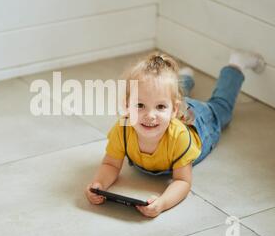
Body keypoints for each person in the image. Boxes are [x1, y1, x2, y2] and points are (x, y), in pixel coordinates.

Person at [85, 50, 265, 218]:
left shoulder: (178, 137)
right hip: (175, 106)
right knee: (165, 91)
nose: (150, 115)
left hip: (199, 123)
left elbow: (182, 182)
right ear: (126, 106)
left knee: (222, 108)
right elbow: (111, 164)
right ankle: (184, 79)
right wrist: (99, 184)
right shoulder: (122, 129)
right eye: (139, 105)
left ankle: (236, 65)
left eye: (160, 107)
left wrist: (162, 203)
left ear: (174, 110)